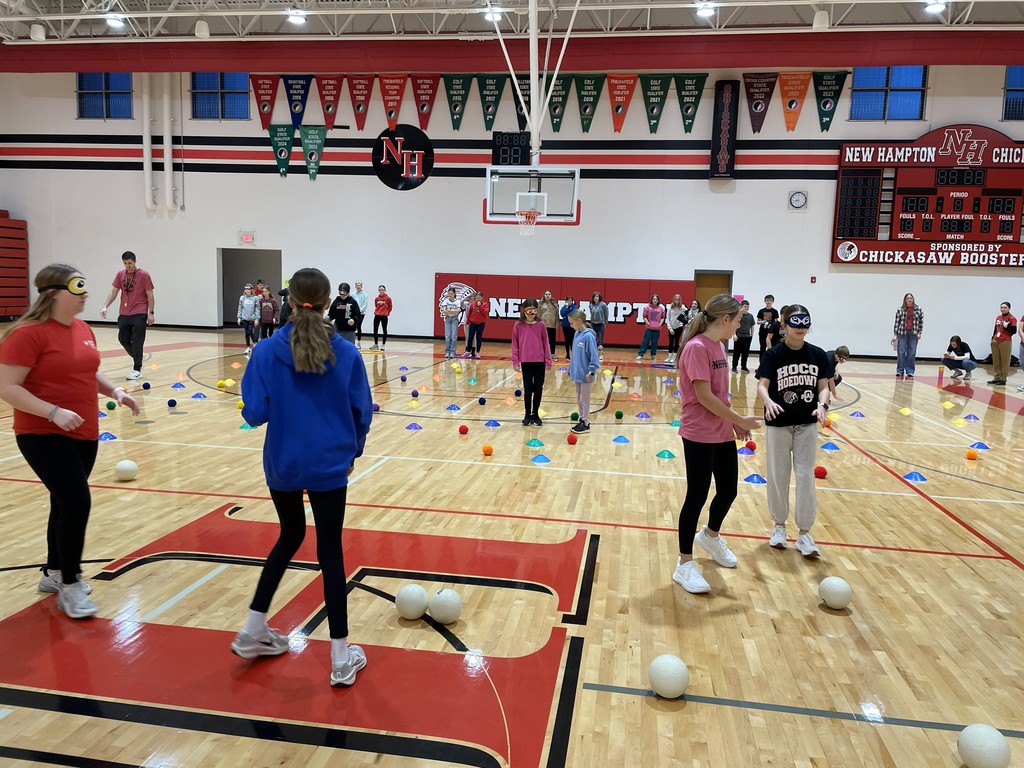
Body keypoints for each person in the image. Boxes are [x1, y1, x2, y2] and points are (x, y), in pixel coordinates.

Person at [234, 267, 372, 687]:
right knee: (330, 553)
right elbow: (362, 412)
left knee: (289, 535)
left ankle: (254, 629)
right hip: (330, 464)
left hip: (283, 463)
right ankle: (339, 659)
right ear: (330, 302)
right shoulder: (346, 353)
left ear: (288, 300)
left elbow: (254, 414)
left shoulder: (264, 351)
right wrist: (354, 450)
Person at [0, 263, 140, 619]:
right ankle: (71, 582)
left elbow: (87, 368)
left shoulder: (81, 327)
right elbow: (6, 386)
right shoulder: (28, 334)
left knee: (63, 503)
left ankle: (52, 572)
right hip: (42, 433)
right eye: (78, 289)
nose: (85, 296)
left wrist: (115, 390)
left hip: (83, 431)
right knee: (76, 502)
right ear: (54, 293)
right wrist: (51, 412)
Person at [672, 294, 762, 594]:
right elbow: (704, 396)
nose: (738, 325)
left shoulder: (719, 347)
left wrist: (734, 421)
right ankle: (684, 564)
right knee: (696, 496)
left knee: (728, 490)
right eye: (737, 320)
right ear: (725, 319)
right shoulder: (697, 348)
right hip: (699, 431)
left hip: (722, 430)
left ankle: (709, 536)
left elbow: (721, 394)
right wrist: (740, 417)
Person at [756, 304, 831, 559]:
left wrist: (822, 405)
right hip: (778, 422)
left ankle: (804, 532)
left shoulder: (818, 355)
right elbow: (762, 385)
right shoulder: (773, 355)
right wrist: (767, 401)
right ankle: (779, 526)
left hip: (807, 423)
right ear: (784, 324)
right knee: (778, 474)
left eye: (805, 323)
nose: (800, 328)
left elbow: (823, 386)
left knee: (805, 475)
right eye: (795, 323)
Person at [99, 250, 155, 380]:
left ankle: (137, 369)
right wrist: (105, 306)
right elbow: (113, 292)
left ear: (135, 261)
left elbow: (150, 295)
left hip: (140, 312)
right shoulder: (120, 274)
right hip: (124, 313)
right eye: (125, 263)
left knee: (137, 341)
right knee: (123, 339)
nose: (128, 266)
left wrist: (150, 313)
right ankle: (137, 356)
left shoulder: (144, 274)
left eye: (130, 263)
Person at [510, 298, 552, 427]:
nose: (532, 312)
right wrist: (515, 361)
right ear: (524, 311)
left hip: (539, 362)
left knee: (538, 388)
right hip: (526, 362)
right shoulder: (518, 325)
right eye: (529, 310)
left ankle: (536, 414)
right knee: (528, 389)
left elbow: (546, 343)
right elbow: (515, 344)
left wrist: (548, 361)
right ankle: (527, 414)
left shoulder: (541, 325)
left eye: (534, 310)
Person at [568, 310, 600, 433]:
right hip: (577, 373)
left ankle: (586, 423)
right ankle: (581, 419)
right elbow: (574, 354)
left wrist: (591, 372)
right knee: (579, 398)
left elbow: (594, 357)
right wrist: (571, 367)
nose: (571, 325)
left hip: (586, 375)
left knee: (585, 399)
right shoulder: (577, 334)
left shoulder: (588, 336)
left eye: (572, 323)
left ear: (579, 321)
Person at [892, 292, 923, 379]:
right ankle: (900, 371)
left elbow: (921, 322)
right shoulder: (900, 310)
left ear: (913, 300)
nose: (909, 300)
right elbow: (897, 322)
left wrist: (919, 332)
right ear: (905, 300)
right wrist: (895, 334)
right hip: (902, 333)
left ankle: (910, 371)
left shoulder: (918, 309)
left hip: (913, 333)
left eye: (911, 298)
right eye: (908, 298)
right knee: (901, 352)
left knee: (911, 352)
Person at [988, 301, 1016, 386]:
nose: (1002, 309)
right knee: (996, 360)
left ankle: (1003, 379)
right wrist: (993, 338)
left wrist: (1007, 327)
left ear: (1009, 308)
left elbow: (1013, 331)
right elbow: (995, 328)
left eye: (1005, 307)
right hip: (996, 340)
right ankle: (997, 377)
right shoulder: (998, 317)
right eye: (1001, 307)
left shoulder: (1012, 318)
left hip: (1005, 341)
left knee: (1004, 361)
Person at [635, 294, 665, 363]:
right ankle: (640, 354)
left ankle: (653, 355)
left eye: (656, 299)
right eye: (654, 299)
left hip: (657, 329)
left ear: (658, 301)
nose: (655, 300)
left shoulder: (661, 309)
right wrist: (648, 323)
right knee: (645, 341)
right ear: (651, 300)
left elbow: (662, 317)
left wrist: (660, 324)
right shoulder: (648, 307)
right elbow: (644, 316)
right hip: (649, 328)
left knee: (655, 342)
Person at [731, 300, 755, 373]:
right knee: (736, 353)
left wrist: (752, 335)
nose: (746, 308)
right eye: (745, 306)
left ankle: (743, 366)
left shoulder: (750, 316)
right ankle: (734, 366)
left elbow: (752, 326)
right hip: (738, 336)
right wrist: (734, 334)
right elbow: (734, 325)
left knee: (745, 353)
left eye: (748, 306)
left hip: (747, 337)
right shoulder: (737, 315)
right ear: (741, 307)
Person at [462, 292, 488, 359]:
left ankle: (478, 352)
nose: (478, 299)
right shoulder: (472, 304)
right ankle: (468, 351)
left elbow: (485, 313)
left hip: (481, 324)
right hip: (473, 323)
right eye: (477, 298)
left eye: (479, 298)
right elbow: (469, 313)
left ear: (482, 298)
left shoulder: (485, 304)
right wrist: (468, 322)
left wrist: (480, 306)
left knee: (478, 338)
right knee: (470, 337)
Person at [237, 283, 260, 355]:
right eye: (245, 289)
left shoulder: (255, 298)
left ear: (251, 290)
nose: (246, 290)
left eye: (248, 289)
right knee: (246, 333)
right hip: (244, 318)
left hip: (252, 318)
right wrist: (239, 317)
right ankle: (248, 347)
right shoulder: (242, 298)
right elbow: (240, 308)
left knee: (250, 331)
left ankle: (255, 343)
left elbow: (257, 309)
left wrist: (257, 318)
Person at [439, 287, 462, 359]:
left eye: (451, 293)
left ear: (454, 294)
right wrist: (452, 311)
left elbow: (458, 311)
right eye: (449, 293)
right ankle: (447, 351)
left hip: (454, 319)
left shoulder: (457, 301)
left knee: (454, 336)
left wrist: (451, 311)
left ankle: (452, 352)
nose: (450, 295)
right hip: (448, 319)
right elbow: (445, 311)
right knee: (447, 336)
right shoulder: (446, 301)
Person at [665, 294, 687, 366]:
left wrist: (684, 321)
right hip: (671, 327)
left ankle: (674, 358)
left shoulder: (683, 308)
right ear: (673, 300)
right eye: (676, 299)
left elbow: (688, 313)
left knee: (676, 342)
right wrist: (670, 328)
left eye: (678, 299)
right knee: (671, 342)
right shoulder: (670, 307)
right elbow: (668, 318)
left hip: (679, 327)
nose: (677, 301)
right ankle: (669, 357)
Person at [538, 291, 560, 360]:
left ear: (551, 296)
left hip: (552, 325)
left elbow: (557, 316)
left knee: (552, 340)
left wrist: (557, 325)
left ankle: (552, 353)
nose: (547, 295)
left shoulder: (555, 305)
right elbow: (538, 315)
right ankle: (542, 353)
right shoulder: (540, 305)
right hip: (543, 326)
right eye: (546, 294)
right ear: (544, 296)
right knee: (543, 340)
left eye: (549, 294)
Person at [370, 285, 393, 351]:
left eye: (382, 290)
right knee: (375, 330)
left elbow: (390, 307)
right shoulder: (376, 299)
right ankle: (376, 344)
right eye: (380, 290)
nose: (381, 291)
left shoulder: (388, 298)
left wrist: (387, 313)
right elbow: (376, 305)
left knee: (384, 330)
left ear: (385, 290)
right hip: (377, 315)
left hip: (384, 316)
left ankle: (383, 345)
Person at [588, 292, 609, 361]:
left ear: (599, 297)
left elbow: (606, 313)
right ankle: (593, 354)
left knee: (600, 340)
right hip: (593, 324)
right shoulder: (591, 305)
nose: (596, 298)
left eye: (597, 296)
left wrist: (605, 321)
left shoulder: (603, 305)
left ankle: (600, 354)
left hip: (600, 324)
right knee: (593, 339)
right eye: (594, 296)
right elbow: (591, 314)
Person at [560, 294, 578, 360]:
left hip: (572, 326)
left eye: (570, 301)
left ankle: (573, 354)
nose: (569, 302)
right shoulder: (564, 307)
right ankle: (567, 354)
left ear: (572, 301)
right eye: (568, 301)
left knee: (572, 340)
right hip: (565, 326)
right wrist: (567, 309)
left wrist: (567, 312)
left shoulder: (574, 307)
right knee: (566, 340)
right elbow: (562, 313)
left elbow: (573, 313)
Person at [352, 281, 369, 349]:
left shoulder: (365, 295)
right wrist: (355, 310)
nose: (358, 286)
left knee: (359, 326)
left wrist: (360, 311)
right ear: (355, 286)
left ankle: (358, 342)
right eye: (357, 285)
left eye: (360, 285)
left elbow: (365, 304)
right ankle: (352, 342)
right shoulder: (353, 294)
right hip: (354, 313)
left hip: (361, 313)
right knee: (353, 327)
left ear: (361, 286)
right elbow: (352, 303)